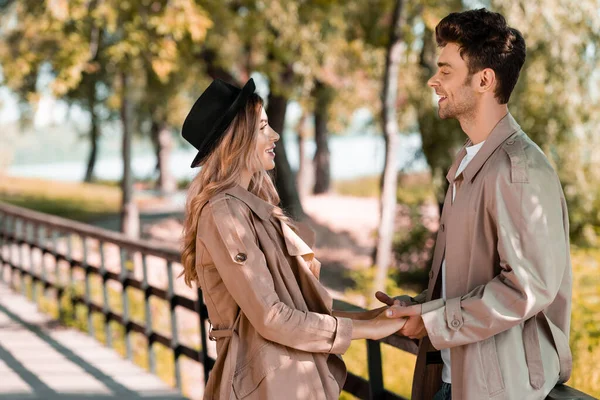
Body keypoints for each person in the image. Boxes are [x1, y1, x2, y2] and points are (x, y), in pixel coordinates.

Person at [377, 8, 573, 400]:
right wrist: (419, 308)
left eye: (446, 71)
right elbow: (469, 280)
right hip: (457, 379)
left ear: (484, 80)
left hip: (498, 390)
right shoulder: (470, 160)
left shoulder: (518, 169)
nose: (434, 81)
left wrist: (433, 321)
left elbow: (526, 288)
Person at [179, 78, 407, 400]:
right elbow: (271, 318)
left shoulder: (249, 208)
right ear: (236, 140)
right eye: (261, 128)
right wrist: (368, 330)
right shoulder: (224, 213)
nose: (275, 135)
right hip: (264, 386)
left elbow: (296, 309)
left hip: (286, 380)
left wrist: (375, 317)